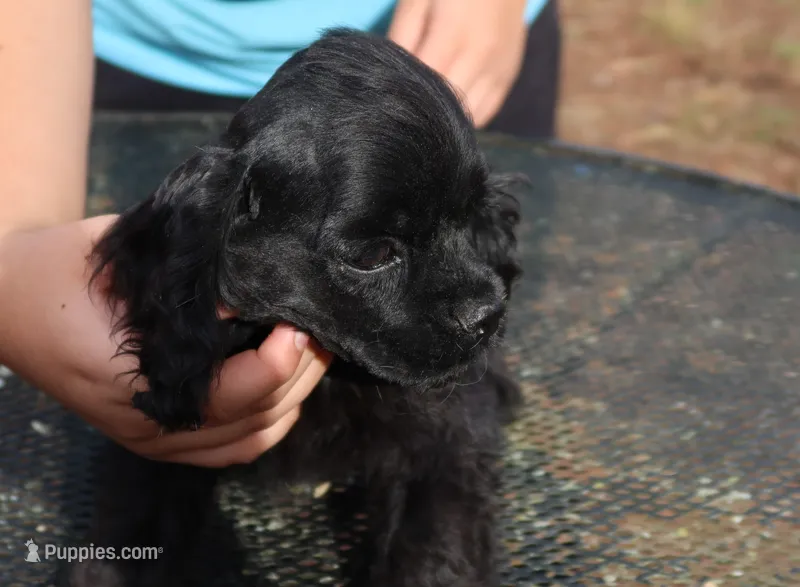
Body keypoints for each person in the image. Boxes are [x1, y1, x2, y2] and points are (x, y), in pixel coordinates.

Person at [0, 0, 561, 468]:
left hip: (449, 41)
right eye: (373, 253)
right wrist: (14, 263)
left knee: (446, 444)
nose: (477, 304)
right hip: (111, 57)